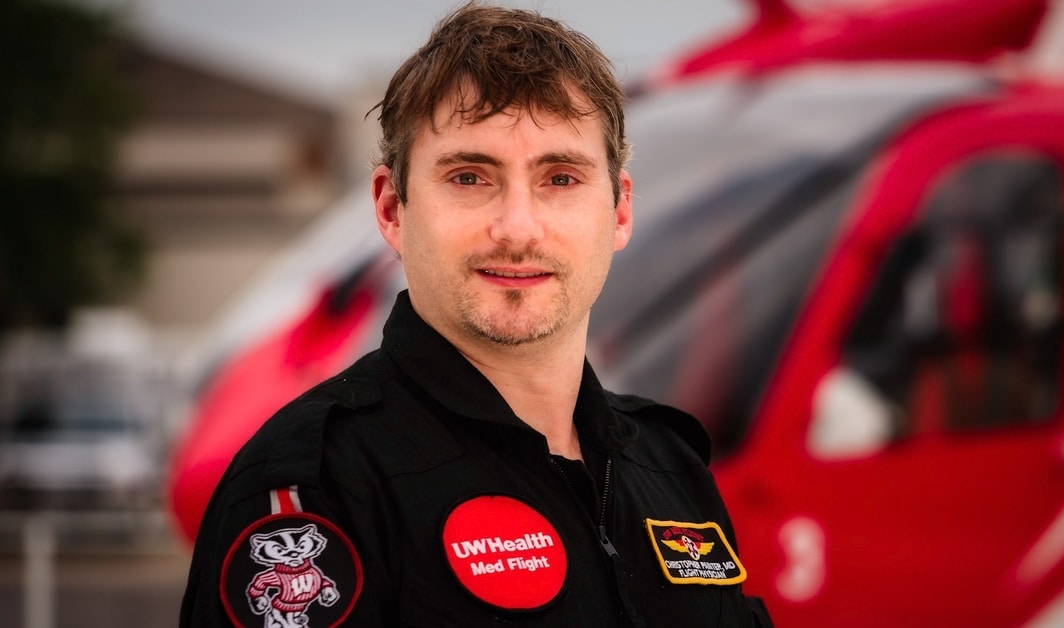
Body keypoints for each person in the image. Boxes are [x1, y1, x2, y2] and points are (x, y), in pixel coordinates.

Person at [179, 3, 774, 626]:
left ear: (620, 212)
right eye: (469, 177)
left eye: (561, 178)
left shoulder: (671, 467)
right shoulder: (320, 489)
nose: (517, 228)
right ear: (391, 209)